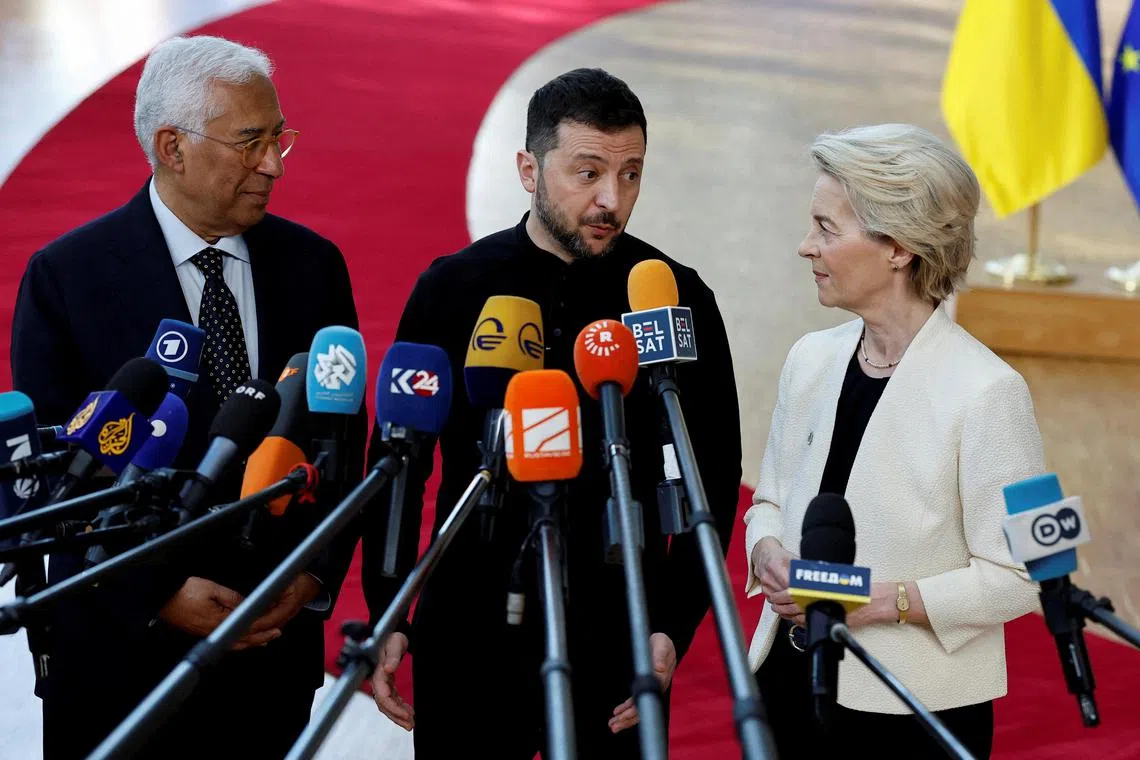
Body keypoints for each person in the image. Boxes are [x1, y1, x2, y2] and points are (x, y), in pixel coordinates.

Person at [362, 68, 743, 758]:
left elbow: (709, 472)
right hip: (472, 614)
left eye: (631, 174)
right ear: (528, 169)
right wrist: (388, 605)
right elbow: (400, 462)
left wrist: (671, 623)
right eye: (588, 172)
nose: (612, 199)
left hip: (616, 618)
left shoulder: (670, 298)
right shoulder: (453, 288)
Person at [11, 35, 364, 760]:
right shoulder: (66, 280)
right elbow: (55, 480)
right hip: (120, 664)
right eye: (249, 142)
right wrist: (154, 593)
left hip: (271, 660)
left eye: (278, 139)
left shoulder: (314, 268)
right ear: (171, 147)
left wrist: (311, 577)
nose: (272, 164)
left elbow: (344, 444)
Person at [742, 123, 1044, 759]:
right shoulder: (809, 359)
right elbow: (769, 498)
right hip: (786, 685)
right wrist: (766, 548)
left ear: (899, 247)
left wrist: (879, 603)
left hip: (910, 712)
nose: (806, 246)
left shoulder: (993, 392)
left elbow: (1029, 573)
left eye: (827, 228)